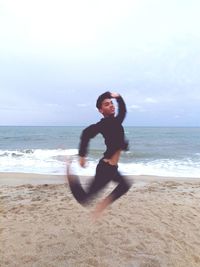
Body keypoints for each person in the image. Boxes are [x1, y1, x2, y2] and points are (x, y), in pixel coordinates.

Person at [67, 91, 131, 219]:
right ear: (101, 110)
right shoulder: (104, 124)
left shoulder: (117, 121)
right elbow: (86, 133)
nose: (111, 106)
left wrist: (118, 97)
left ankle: (103, 204)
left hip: (113, 168)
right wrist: (82, 156)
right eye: (107, 104)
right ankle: (69, 173)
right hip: (105, 169)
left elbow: (123, 111)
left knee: (125, 185)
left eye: (111, 103)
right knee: (84, 199)